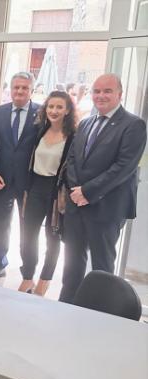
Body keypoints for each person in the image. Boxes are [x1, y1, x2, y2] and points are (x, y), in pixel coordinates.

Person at [60, 73, 147, 303]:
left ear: (120, 94)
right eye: (97, 91)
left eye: (107, 91)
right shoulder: (87, 122)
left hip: (106, 208)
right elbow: (71, 160)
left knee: (102, 265)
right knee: (72, 263)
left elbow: (123, 168)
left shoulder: (133, 125)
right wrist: (75, 192)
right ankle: (68, 303)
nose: (101, 96)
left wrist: (87, 192)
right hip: (76, 205)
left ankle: (101, 311)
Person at [0, 72, 40, 283]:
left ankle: (28, 273)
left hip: (29, 185)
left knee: (28, 230)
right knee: (0, 226)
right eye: (16, 87)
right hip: (2, 181)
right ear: (11, 89)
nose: (20, 91)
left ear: (31, 90)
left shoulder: (42, 113)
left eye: (25, 88)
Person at [18, 91, 76, 296]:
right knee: (27, 236)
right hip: (35, 188)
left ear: (67, 110)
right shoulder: (40, 131)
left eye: (59, 107)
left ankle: (44, 280)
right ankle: (27, 277)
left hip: (55, 192)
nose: (54, 111)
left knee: (52, 238)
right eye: (51, 107)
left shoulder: (73, 137)